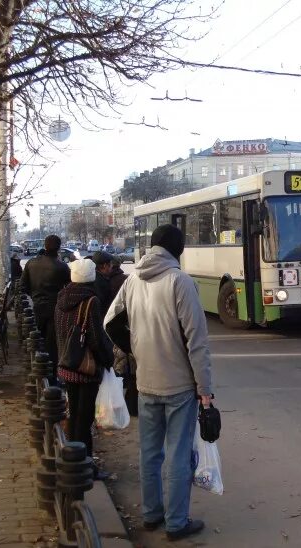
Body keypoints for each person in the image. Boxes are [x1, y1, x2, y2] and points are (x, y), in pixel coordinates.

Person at [104, 224, 213, 541]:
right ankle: (176, 523)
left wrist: (134, 348)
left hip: (145, 382)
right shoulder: (181, 281)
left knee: (149, 453)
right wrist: (205, 391)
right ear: (178, 250)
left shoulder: (133, 279)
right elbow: (197, 342)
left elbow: (110, 322)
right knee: (178, 455)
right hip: (179, 385)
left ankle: (151, 515)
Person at [54, 259, 113, 478]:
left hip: (67, 365)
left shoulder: (61, 298)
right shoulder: (91, 302)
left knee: (76, 414)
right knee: (84, 418)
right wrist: (108, 361)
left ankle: (73, 457)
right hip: (86, 370)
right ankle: (84, 464)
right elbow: (96, 339)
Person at [21, 235, 70, 368]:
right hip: (55, 308)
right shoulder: (62, 266)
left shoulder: (31, 263)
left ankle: (38, 369)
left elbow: (23, 286)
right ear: (59, 248)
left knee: (37, 339)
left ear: (45, 245)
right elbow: (69, 288)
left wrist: (34, 295)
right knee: (52, 343)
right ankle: (51, 373)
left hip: (37, 305)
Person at [108, 256, 138, 417]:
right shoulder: (127, 280)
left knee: (123, 370)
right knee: (133, 372)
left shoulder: (108, 282)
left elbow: (109, 322)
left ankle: (128, 404)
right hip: (132, 329)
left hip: (122, 332)